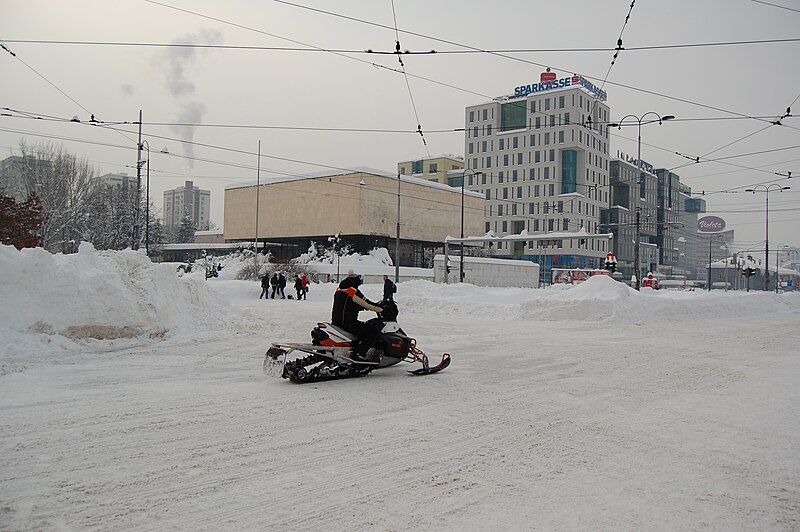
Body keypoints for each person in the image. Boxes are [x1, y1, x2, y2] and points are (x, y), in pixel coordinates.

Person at [332, 269, 383, 361]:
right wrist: (380, 308)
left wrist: (359, 307)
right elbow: (366, 303)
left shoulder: (340, 289)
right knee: (373, 331)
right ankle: (359, 353)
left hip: (336, 322)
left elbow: (347, 305)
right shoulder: (352, 291)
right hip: (348, 323)